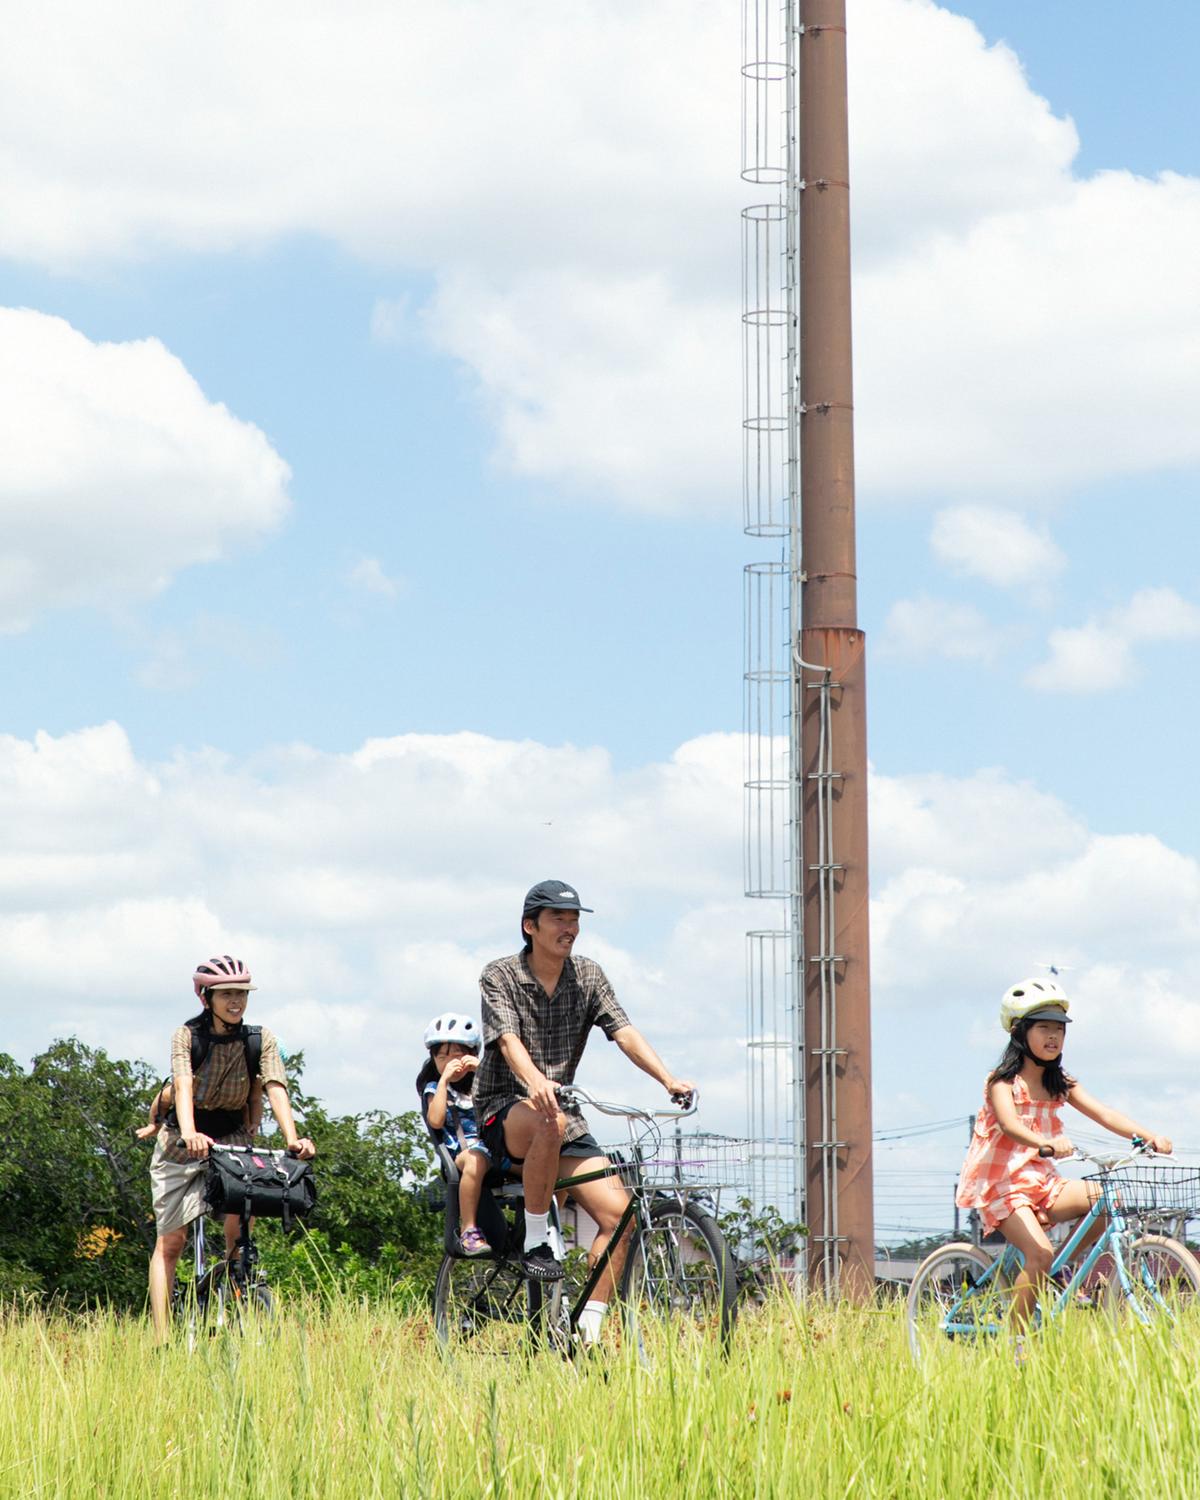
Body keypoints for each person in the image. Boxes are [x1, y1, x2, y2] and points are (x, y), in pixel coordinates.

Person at [474, 878, 694, 1348]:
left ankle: (587, 1328)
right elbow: (508, 1042)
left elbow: (624, 1031)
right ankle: (536, 1239)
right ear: (530, 926)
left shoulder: (588, 976)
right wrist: (534, 1082)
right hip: (504, 1111)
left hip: (562, 1118)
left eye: (574, 919)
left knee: (624, 1216)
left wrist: (669, 1079)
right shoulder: (500, 975)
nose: (569, 927)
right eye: (558, 918)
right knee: (547, 1120)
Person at [956, 977, 1171, 1326]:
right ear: (1019, 1032)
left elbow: (1104, 1113)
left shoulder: (1061, 1083)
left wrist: (1149, 1136)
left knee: (1107, 1200)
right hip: (1003, 1185)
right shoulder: (1002, 1082)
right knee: (1038, 1252)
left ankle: (1061, 1265)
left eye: (1059, 1029)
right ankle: (1017, 1343)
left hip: (1042, 1180)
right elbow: (1010, 1124)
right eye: (1043, 1028)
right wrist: (1044, 1143)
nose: (1054, 1037)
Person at [147, 955, 316, 1339]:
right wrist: (190, 1131)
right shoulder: (188, 1035)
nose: (235, 1001)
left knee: (242, 1228)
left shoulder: (260, 1038)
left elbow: (275, 1086)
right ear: (206, 997)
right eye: (226, 994)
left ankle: (235, 1285)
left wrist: (293, 1139)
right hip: (181, 1143)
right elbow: (184, 1084)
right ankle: (162, 1341)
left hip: (232, 1140)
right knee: (171, 1241)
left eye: (241, 993)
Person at [416, 1011, 492, 1255]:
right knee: (475, 1158)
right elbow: (436, 1121)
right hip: (464, 1152)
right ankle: (468, 1229)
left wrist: (484, 1070)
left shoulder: (484, 1085)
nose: (450, 1062)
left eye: (456, 1056)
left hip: (497, 1148)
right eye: (442, 1057)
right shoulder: (435, 1088)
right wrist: (444, 1082)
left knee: (544, 1159)